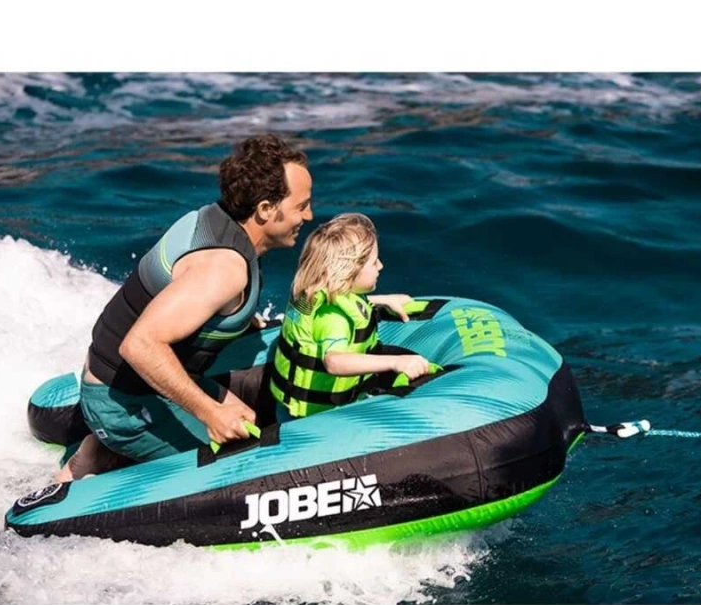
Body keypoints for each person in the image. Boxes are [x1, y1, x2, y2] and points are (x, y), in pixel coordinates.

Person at [57, 133, 313, 480]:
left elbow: (188, 298)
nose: (309, 215)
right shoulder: (223, 269)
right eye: (301, 206)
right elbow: (139, 344)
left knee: (247, 420)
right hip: (123, 401)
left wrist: (241, 321)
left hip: (127, 383)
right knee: (243, 467)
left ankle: (104, 450)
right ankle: (106, 451)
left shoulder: (213, 219)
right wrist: (210, 413)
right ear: (266, 209)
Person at [270, 213, 430, 420]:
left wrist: (382, 300)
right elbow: (334, 362)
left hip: (289, 409)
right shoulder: (334, 320)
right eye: (374, 262)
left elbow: (339, 302)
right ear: (348, 271)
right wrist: (396, 362)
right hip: (316, 419)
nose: (381, 266)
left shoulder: (313, 295)